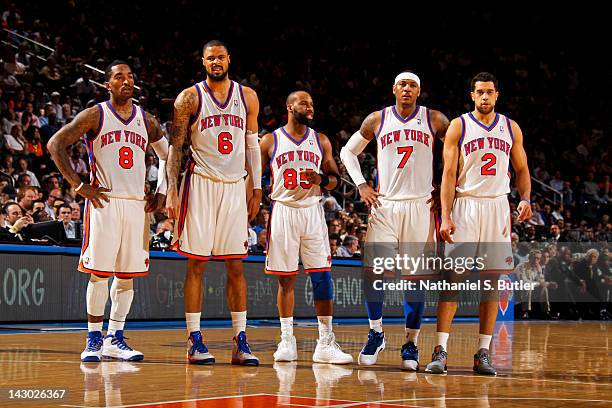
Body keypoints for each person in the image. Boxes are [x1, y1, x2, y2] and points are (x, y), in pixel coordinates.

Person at [47, 60, 168, 363]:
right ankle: (93, 339)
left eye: (130, 76)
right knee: (99, 275)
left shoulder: (146, 119)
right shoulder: (95, 114)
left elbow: (170, 155)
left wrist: (163, 191)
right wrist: (78, 186)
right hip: (105, 202)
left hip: (137, 206)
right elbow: (55, 144)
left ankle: (115, 338)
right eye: (118, 77)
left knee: (126, 277)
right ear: (107, 84)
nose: (126, 81)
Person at [340, 71, 449, 370]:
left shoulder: (435, 119)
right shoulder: (377, 119)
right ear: (393, 89)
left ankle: (410, 343)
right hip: (385, 204)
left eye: (412, 85)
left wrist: (446, 188)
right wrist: (361, 184)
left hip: (421, 205)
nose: (407, 89)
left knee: (415, 280)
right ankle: (376, 332)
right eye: (402, 84)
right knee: (373, 273)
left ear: (419, 91)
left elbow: (456, 153)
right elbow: (347, 151)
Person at [427, 72, 532, 376]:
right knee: (452, 282)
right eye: (479, 92)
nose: (484, 97)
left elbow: (522, 169)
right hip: (467, 204)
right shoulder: (459, 125)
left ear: (497, 94)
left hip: (497, 206)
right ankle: (440, 350)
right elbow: (448, 174)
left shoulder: (511, 128)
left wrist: (525, 198)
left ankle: (482, 353)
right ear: (471, 95)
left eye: (489, 92)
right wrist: (446, 215)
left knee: (491, 284)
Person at [166, 40, 262, 366]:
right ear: (203, 62)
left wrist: (257, 188)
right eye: (210, 58)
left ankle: (240, 340)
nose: (216, 62)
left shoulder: (247, 96)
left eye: (220, 57)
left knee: (236, 266)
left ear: (229, 59)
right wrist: (171, 190)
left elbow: (252, 146)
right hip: (201, 184)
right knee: (197, 264)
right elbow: (175, 149)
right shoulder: (189, 98)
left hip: (235, 187)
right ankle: (194, 339)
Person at [260, 90, 352, 364]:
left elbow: (336, 181)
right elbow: (254, 178)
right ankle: (287, 340)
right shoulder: (270, 141)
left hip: (312, 210)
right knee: (286, 279)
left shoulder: (320, 140)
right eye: (304, 102)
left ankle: (325, 342)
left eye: (312, 102)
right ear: (289, 106)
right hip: (284, 211)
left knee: (322, 276)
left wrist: (321, 179)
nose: (310, 107)